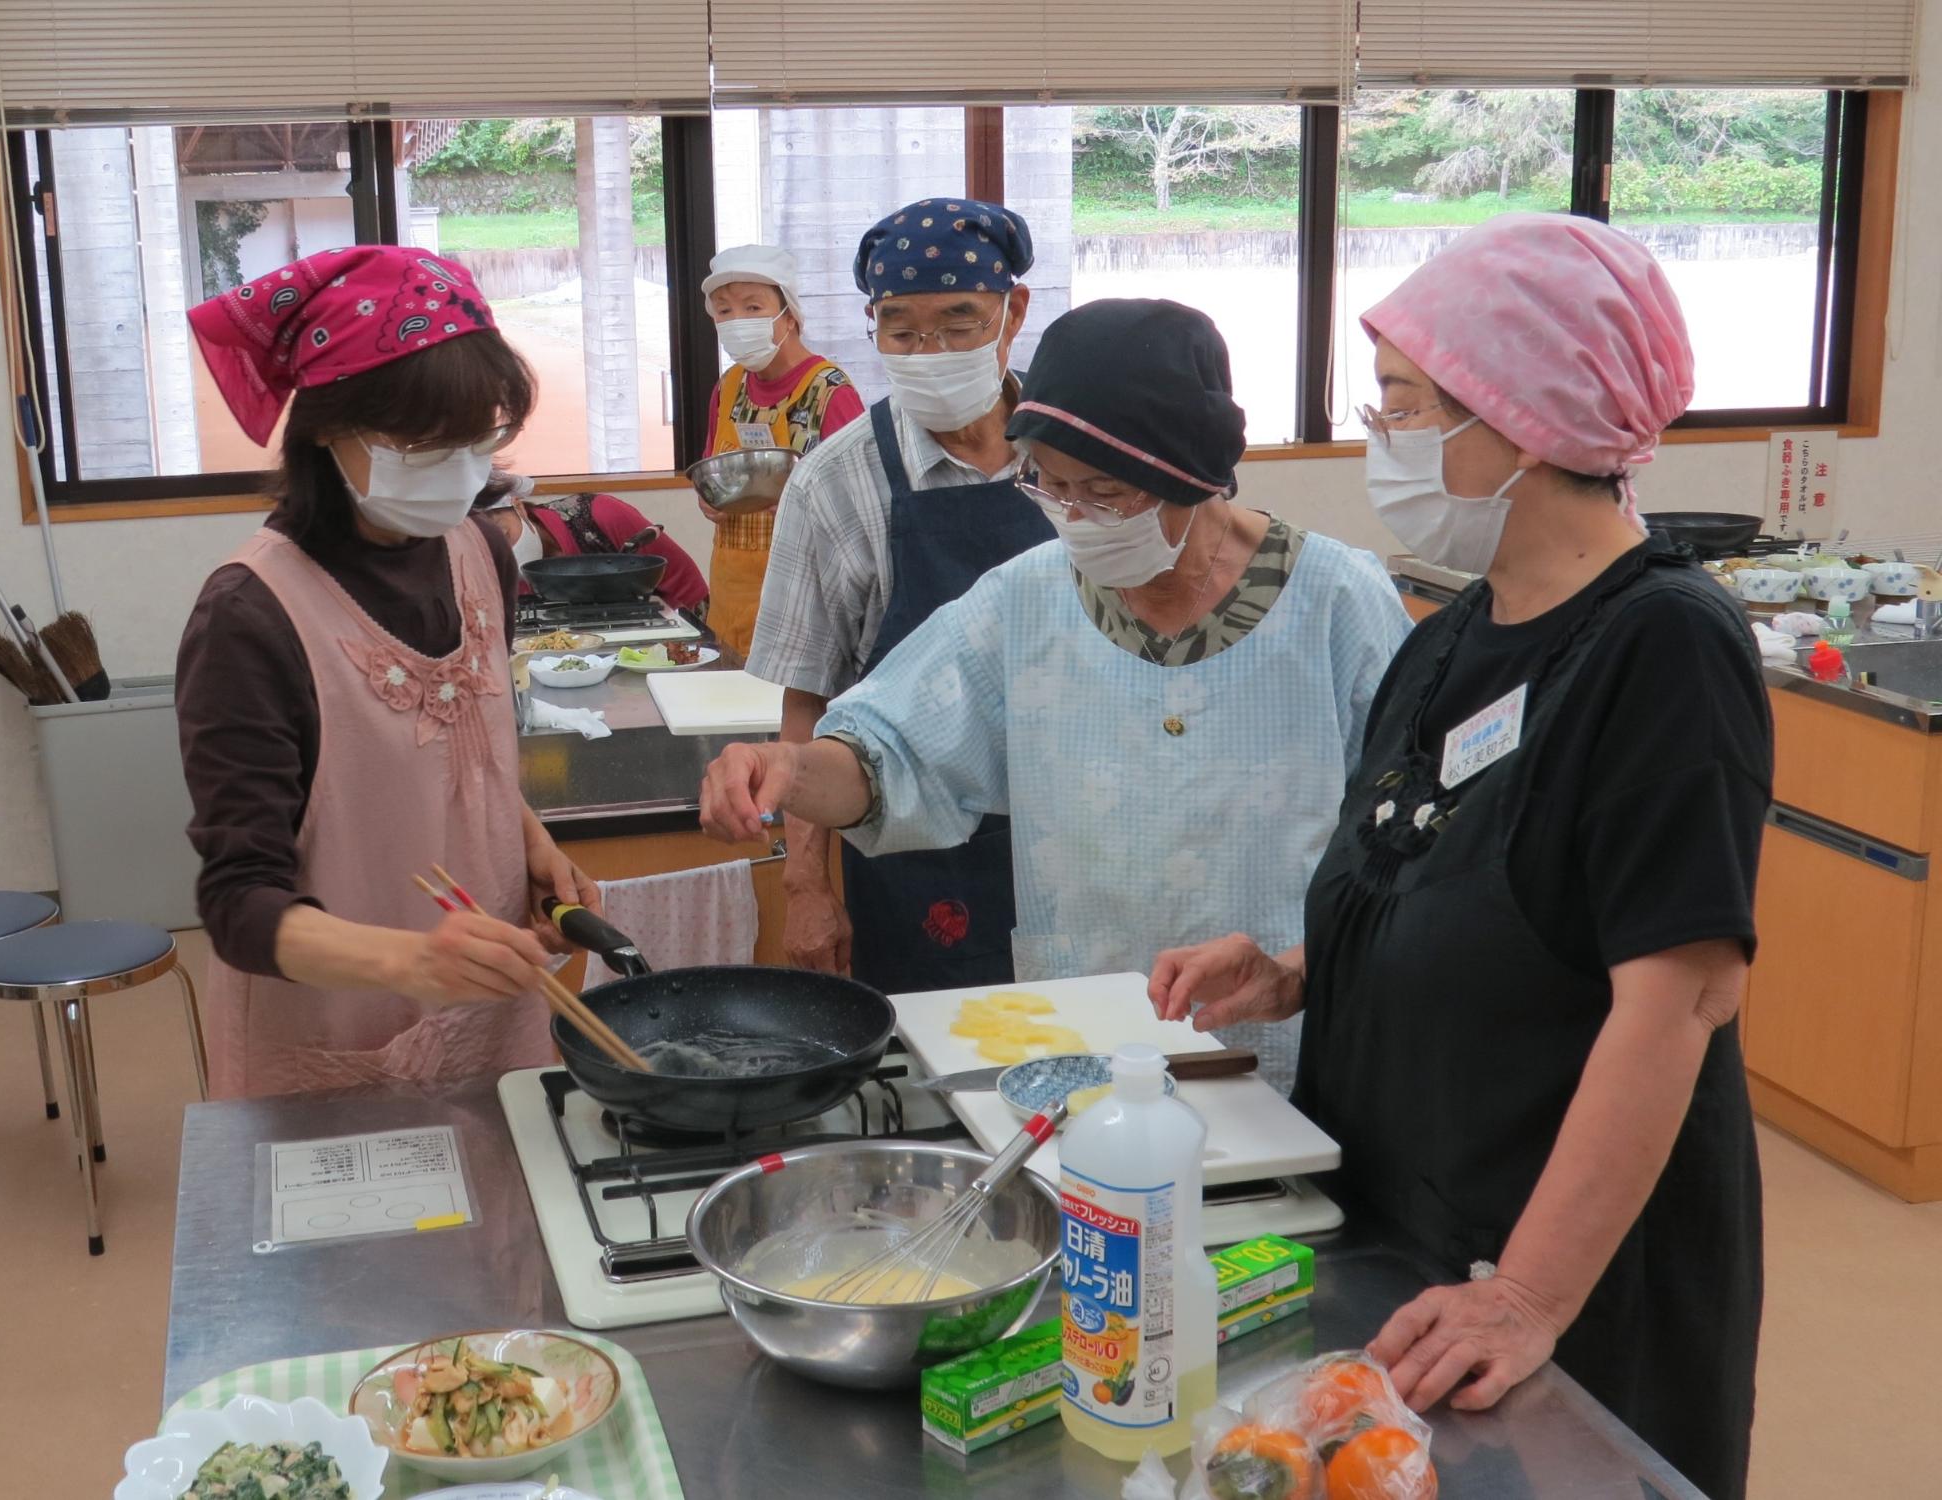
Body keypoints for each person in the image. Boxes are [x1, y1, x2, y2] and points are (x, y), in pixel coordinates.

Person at [1148, 215, 1769, 1499]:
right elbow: (1468, 882)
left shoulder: (1662, 647)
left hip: (1553, 1268)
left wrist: (1527, 1295)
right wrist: (1298, 969)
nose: (1379, 439)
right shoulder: (1450, 637)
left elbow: (1681, 994)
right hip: (1402, 1221)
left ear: (1523, 416)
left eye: (1401, 405)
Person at [703, 300, 1410, 1089]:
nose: (1074, 518)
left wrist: (1296, 968)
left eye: (1105, 493)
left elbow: (1413, 854)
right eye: (1050, 487)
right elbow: (888, 752)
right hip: (1080, 1035)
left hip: (1282, 1034)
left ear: (1190, 473)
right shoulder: (1028, 598)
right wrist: (790, 771)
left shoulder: (1337, 603)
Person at [176, 245, 604, 1099]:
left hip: (492, 1002)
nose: (458, 468)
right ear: (329, 429)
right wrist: (414, 960)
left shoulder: (480, 550)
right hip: (334, 1025)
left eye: (476, 438)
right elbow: (237, 904)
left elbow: (463, 750)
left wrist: (533, 843)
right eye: (422, 442)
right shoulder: (251, 616)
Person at [745, 200, 1055, 993]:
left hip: (1082, 829)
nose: (931, 350)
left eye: (959, 322)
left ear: (1012, 311)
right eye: (902, 329)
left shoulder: (1075, 457)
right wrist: (807, 885)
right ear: (872, 326)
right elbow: (808, 700)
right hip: (913, 854)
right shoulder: (833, 483)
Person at [699, 244, 865, 657]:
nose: (737, 321)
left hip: (804, 601)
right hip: (731, 600)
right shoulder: (729, 386)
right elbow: (710, 472)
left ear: (789, 314)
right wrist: (711, 503)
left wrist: (806, 508)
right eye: (724, 310)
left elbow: (861, 509)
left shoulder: (830, 392)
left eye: (753, 307)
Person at [475, 472, 709, 617]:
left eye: (504, 534)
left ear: (518, 507)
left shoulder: (600, 515)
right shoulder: (490, 576)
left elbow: (688, 586)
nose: (505, 553)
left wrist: (693, 646)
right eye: (489, 550)